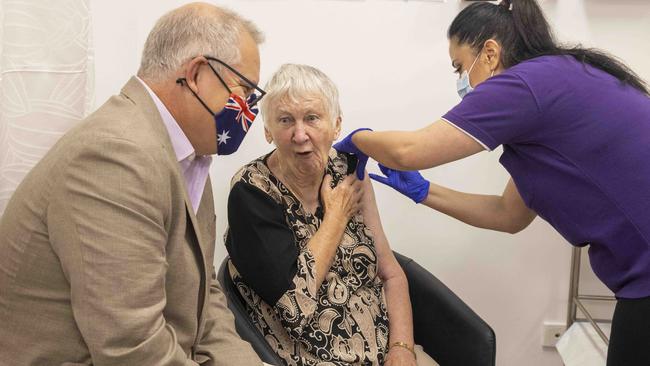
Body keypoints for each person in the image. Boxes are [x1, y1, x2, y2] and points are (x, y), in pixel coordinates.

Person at [334, 0, 650, 365]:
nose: (460, 82)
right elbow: (509, 215)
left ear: (490, 53)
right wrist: (424, 192)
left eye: (459, 67)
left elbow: (409, 150)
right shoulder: (555, 84)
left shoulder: (526, 84)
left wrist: (359, 139)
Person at [0, 3, 267, 365]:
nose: (247, 110)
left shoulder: (188, 155)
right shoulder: (116, 156)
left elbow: (205, 301)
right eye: (244, 92)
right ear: (198, 74)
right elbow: (132, 349)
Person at [224, 64, 438, 366]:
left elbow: (390, 273)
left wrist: (402, 348)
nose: (300, 135)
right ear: (268, 131)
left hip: (387, 351)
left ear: (336, 125)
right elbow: (295, 305)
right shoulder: (252, 193)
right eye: (285, 120)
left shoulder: (350, 172)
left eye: (312, 118)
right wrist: (336, 217)